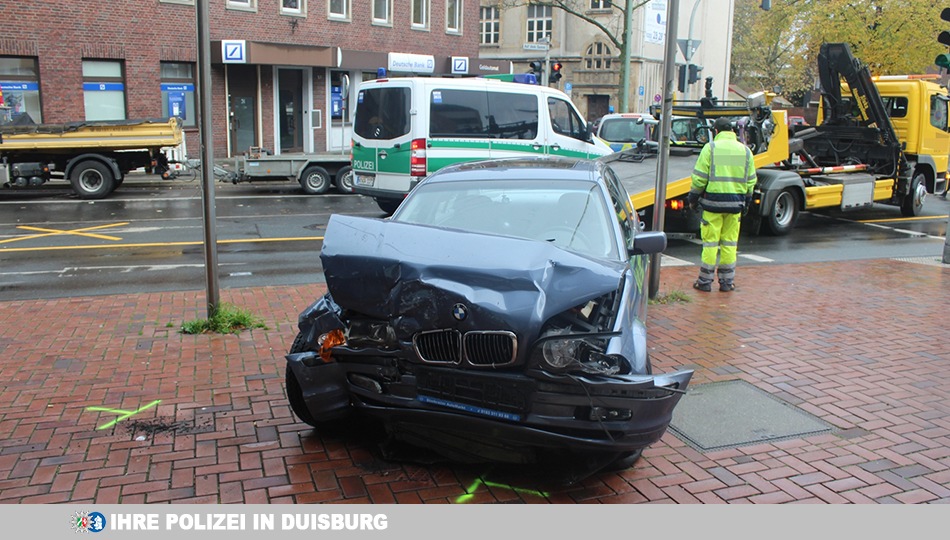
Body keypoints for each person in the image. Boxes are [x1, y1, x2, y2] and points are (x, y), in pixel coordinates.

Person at [687, 117, 757, 292]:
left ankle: (704, 282)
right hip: (735, 206)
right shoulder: (745, 151)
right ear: (732, 131)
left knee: (710, 243)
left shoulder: (710, 149)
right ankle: (727, 282)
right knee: (730, 244)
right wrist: (746, 203)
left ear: (716, 131)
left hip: (712, 205)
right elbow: (750, 182)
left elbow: (699, 178)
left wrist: (693, 200)